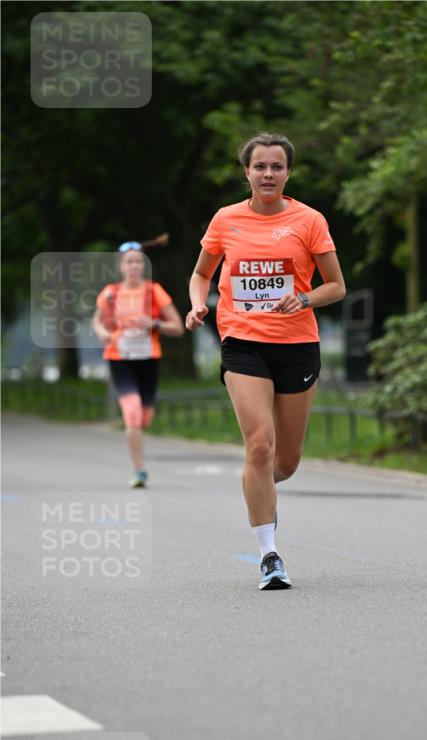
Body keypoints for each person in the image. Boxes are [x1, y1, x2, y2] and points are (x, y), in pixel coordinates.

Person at [186, 132, 346, 590]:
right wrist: (199, 304)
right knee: (259, 445)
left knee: (286, 461)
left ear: (288, 173)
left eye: (277, 167)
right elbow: (201, 273)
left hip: (297, 345)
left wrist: (305, 298)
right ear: (247, 172)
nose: (268, 174)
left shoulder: (309, 220)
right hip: (243, 341)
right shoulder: (226, 219)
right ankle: (269, 555)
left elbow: (337, 285)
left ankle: (257, 484)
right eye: (260, 167)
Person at [92, 242, 184, 487]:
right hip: (119, 359)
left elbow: (178, 327)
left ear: (143, 265)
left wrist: (155, 324)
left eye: (138, 262)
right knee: (132, 415)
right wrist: (102, 332)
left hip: (148, 359)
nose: (134, 266)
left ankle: (138, 439)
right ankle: (139, 470)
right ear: (121, 266)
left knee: (144, 419)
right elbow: (98, 321)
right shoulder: (110, 293)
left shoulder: (154, 291)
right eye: (129, 262)